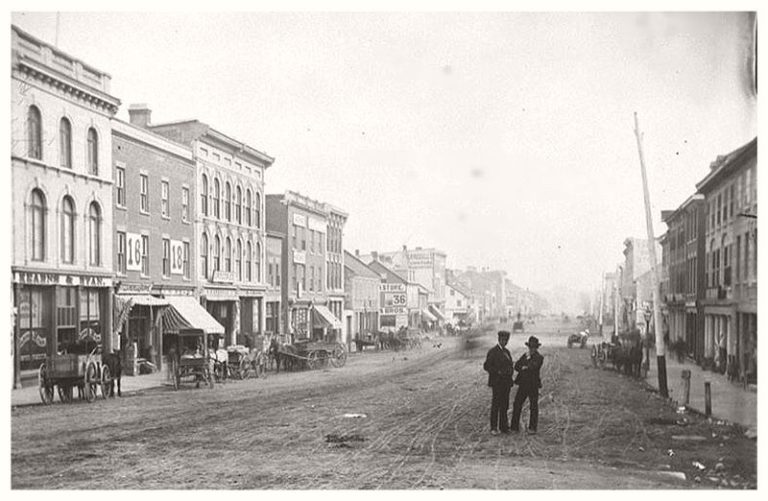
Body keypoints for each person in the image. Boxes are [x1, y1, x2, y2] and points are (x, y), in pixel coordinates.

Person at [483, 330, 515, 435]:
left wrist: (510, 371)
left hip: (506, 383)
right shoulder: (493, 352)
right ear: (499, 339)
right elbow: (486, 366)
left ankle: (504, 427)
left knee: (504, 405)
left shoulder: (507, 352)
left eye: (506, 340)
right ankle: (493, 427)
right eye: (502, 340)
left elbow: (510, 365)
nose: (504, 342)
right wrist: (498, 371)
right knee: (496, 405)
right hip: (497, 383)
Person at [510, 335, 544, 434]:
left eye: (534, 347)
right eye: (530, 347)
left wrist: (525, 367)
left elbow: (534, 367)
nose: (532, 349)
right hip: (523, 384)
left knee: (533, 406)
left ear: (536, 348)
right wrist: (524, 367)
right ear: (528, 347)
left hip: (533, 385)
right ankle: (514, 427)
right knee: (517, 404)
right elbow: (516, 366)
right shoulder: (525, 355)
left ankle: (532, 428)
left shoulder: (539, 357)